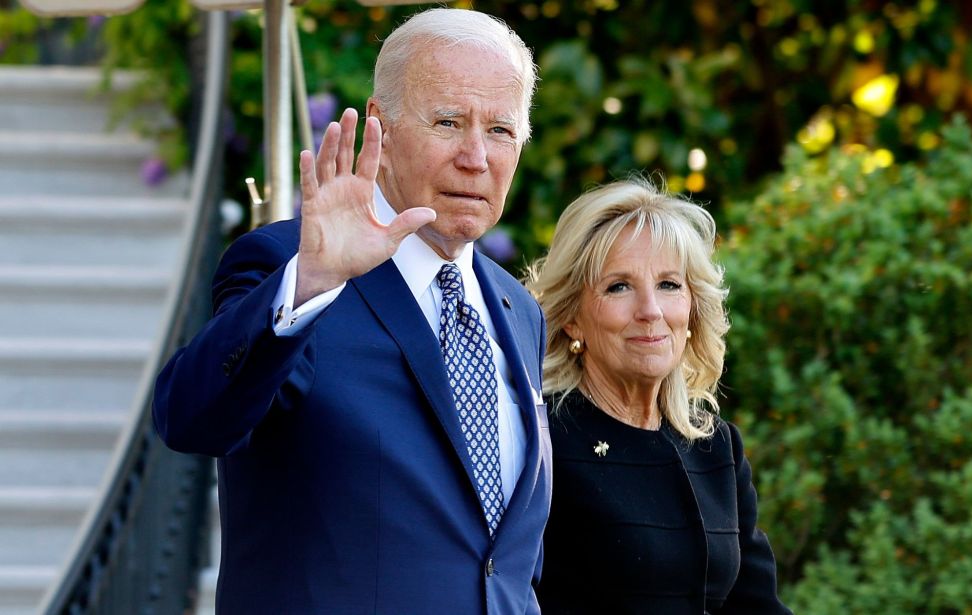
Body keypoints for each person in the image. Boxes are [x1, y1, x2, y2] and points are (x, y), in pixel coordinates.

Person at [152, 9, 551, 614]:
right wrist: (312, 280)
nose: (476, 157)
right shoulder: (292, 268)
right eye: (448, 122)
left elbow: (502, 559)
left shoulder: (517, 308)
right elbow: (191, 419)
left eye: (500, 130)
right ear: (380, 129)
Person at [527, 179, 792, 614]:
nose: (650, 310)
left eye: (669, 284)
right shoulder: (541, 444)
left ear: (691, 308)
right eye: (619, 287)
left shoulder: (715, 447)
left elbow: (757, 605)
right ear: (572, 318)